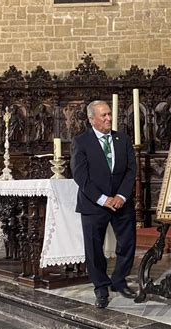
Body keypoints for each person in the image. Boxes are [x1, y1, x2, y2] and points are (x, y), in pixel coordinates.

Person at [71, 100, 137, 309]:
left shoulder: (122, 139)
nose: (109, 118)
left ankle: (119, 280)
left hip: (121, 203)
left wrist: (122, 196)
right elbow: (80, 176)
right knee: (94, 249)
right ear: (91, 119)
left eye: (109, 114)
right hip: (93, 205)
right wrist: (103, 199)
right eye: (104, 116)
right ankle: (101, 286)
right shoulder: (81, 142)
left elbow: (131, 170)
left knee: (127, 243)